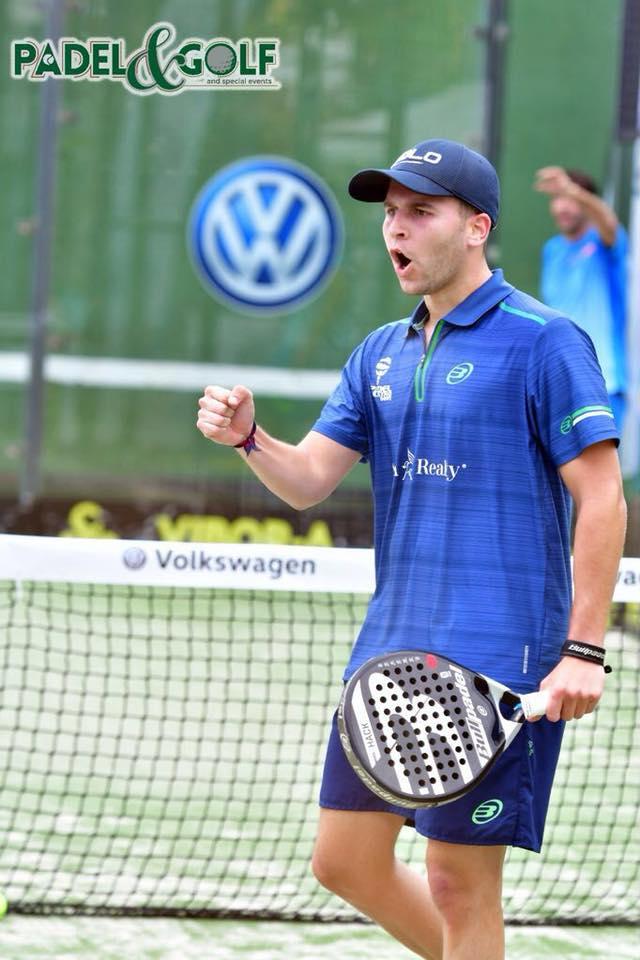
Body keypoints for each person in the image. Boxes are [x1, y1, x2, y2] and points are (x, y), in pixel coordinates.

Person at [197, 139, 626, 960]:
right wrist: (250, 437)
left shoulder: (545, 341)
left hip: (501, 662)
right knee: (344, 861)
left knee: (460, 886)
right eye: (390, 213)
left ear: (475, 227)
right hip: (389, 658)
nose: (397, 228)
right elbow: (310, 479)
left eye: (420, 211)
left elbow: (602, 497)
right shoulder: (380, 354)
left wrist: (584, 650)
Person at [535, 165, 628, 431]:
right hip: (560, 381)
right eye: (557, 199)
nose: (562, 207)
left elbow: (608, 222)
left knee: (600, 471)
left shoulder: (604, 241)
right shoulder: (552, 250)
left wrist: (571, 190)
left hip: (603, 381)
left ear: (587, 204)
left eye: (571, 200)